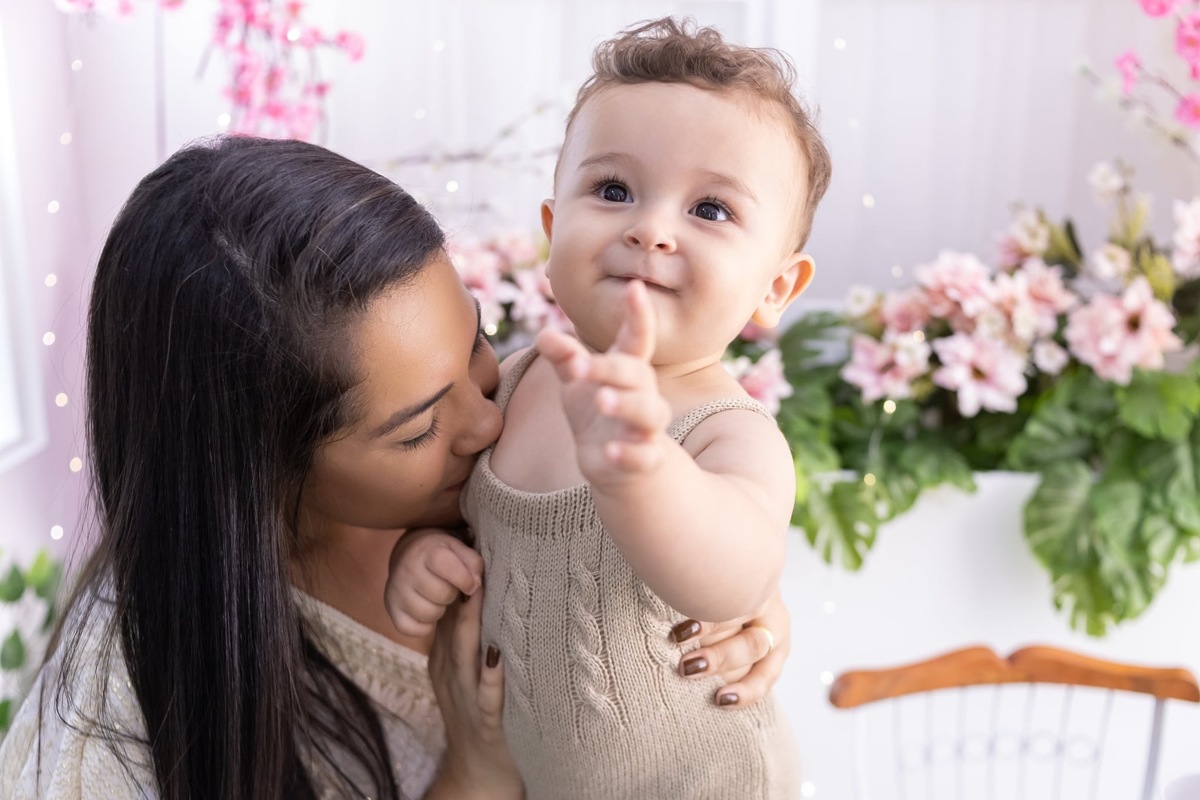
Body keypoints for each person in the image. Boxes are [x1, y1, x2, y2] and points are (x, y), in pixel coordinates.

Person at [0, 135, 791, 800]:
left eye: (477, 341)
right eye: (418, 431)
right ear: (263, 476)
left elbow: (681, 540)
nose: (487, 420)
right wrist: (474, 774)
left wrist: (736, 599)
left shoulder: (527, 428)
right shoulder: (107, 733)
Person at [386, 16, 832, 800]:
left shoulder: (726, 430)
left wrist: (643, 470)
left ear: (775, 288)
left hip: (708, 782)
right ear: (553, 229)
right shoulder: (519, 383)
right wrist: (424, 555)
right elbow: (469, 516)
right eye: (614, 190)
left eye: (712, 209)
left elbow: (738, 574)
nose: (651, 229)